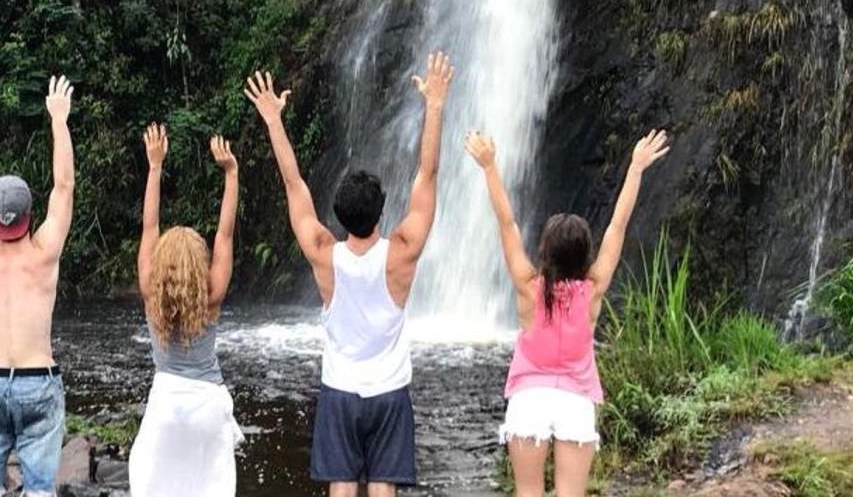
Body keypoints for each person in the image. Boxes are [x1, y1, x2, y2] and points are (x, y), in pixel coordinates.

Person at [245, 52, 456, 497]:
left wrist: (273, 121)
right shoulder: (401, 253)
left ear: (337, 217)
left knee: (341, 487)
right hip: (390, 392)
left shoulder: (325, 255)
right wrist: (435, 105)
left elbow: (294, 184)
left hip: (340, 389)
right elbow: (429, 174)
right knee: (383, 488)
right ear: (382, 213)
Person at [463, 127, 671, 497]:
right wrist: (636, 168)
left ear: (545, 250)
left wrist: (489, 166)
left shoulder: (529, 289)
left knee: (527, 493)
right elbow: (617, 227)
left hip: (528, 400)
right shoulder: (592, 291)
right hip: (575, 402)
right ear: (585, 253)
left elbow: (507, 224)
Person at [0, 76, 77, 497]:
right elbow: (65, 186)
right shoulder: (43, 253)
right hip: (38, 381)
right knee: (40, 490)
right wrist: (58, 120)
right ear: (28, 217)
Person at [128, 123, 244, 497]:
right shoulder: (212, 294)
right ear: (200, 263)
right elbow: (224, 234)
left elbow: (150, 226)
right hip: (208, 403)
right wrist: (231, 173)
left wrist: (155, 167)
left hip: (166, 403)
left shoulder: (150, 289)